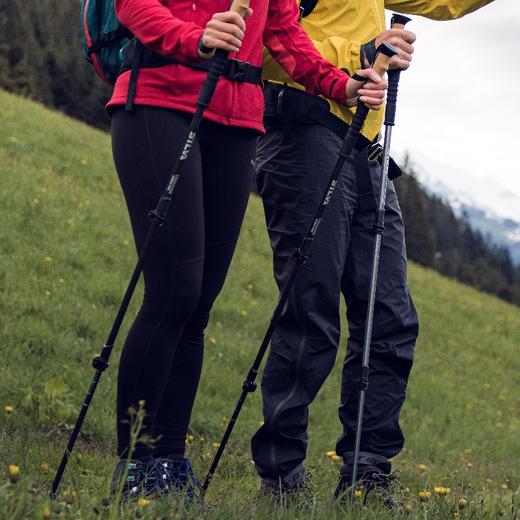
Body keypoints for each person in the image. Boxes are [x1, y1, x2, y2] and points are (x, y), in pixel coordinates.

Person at [106, 0, 387, 500]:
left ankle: (170, 460)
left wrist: (339, 85)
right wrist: (194, 36)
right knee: (173, 293)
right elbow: (133, 6)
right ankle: (135, 464)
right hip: (162, 103)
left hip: (237, 122)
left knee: (198, 305)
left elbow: (284, 37)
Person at [251, 0, 495, 503]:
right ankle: (282, 478)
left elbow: (441, 3)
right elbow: (266, 42)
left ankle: (367, 472)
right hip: (304, 133)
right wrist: (361, 53)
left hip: (364, 147)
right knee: (310, 310)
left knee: (390, 315)